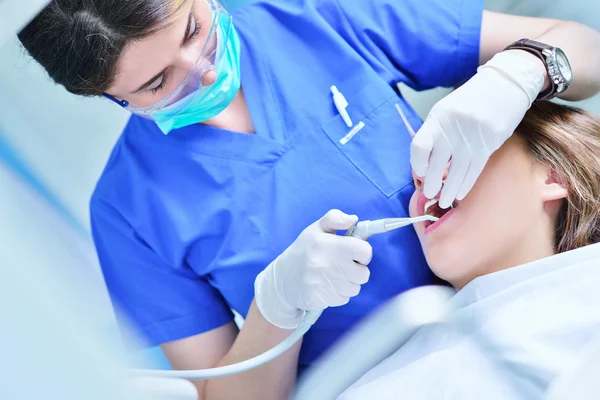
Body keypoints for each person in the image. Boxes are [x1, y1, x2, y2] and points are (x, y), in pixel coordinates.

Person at [17, 0, 600, 398]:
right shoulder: (127, 211)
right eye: (156, 84)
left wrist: (521, 73)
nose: (202, 67)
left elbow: (583, 49)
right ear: (112, 98)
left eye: (193, 30)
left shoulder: (312, 18)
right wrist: (277, 313)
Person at [339, 101, 600, 399]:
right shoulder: (378, 370)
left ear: (553, 177)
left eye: (451, 152)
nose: (423, 178)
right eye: (415, 176)